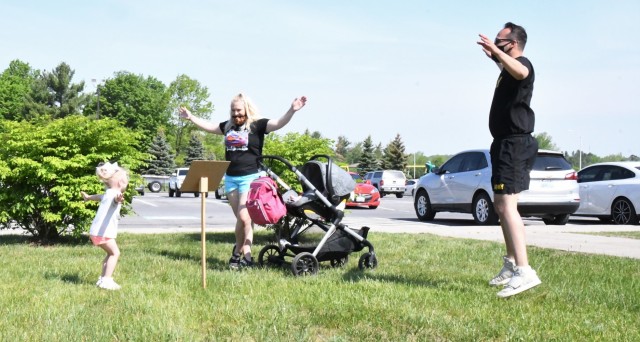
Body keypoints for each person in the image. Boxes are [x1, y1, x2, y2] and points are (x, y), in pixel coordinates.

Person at [179, 93, 307, 269]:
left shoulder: (258, 125)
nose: (236, 114)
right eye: (233, 111)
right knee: (243, 221)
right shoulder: (228, 126)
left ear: (247, 109)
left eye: (239, 110)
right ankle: (247, 256)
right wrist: (191, 117)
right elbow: (209, 126)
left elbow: (278, 123)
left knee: (244, 217)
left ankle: (235, 255)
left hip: (251, 178)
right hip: (231, 178)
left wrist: (292, 110)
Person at [477, 22, 541, 298]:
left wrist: (498, 54)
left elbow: (521, 70)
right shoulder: (507, 70)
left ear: (512, 44)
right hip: (504, 144)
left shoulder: (522, 64)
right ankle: (512, 262)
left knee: (507, 206)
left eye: (499, 40)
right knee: (501, 206)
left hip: (514, 144)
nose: (495, 42)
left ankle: (525, 271)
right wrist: (495, 56)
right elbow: (509, 69)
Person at [81, 162, 129, 290]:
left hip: (97, 232)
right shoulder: (114, 195)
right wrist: (118, 200)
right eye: (125, 181)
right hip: (103, 232)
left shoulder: (108, 192)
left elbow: (98, 197)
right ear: (120, 183)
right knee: (115, 253)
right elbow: (115, 200)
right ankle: (106, 280)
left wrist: (88, 197)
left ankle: (102, 279)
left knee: (109, 254)